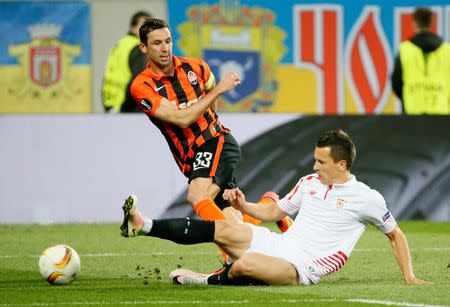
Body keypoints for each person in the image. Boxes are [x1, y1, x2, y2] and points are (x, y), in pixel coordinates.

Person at [120, 129, 430, 286]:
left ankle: (201, 279)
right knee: (227, 228)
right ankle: (143, 225)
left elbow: (395, 235)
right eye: (315, 159)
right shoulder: (309, 181)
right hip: (282, 243)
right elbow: (275, 212)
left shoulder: (367, 198)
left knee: (244, 265)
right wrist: (245, 204)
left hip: (303, 267)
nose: (314, 165)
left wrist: (409, 276)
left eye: (321, 161)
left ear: (342, 164)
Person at [125, 18, 291, 255]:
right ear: (143, 47)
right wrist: (219, 90)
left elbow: (210, 107)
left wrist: (214, 106)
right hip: (190, 159)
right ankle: (270, 205)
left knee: (197, 196)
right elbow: (181, 119)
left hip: (217, 142)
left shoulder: (197, 67)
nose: (165, 48)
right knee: (233, 223)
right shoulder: (142, 86)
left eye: (168, 41)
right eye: (157, 43)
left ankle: (232, 256)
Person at [391, 7, 450, 115]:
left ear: (415, 23)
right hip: (441, 113)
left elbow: (396, 83)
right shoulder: (447, 50)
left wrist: (407, 98)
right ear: (431, 23)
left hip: (412, 110)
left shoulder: (405, 49)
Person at [102, 11, 152, 113]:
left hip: (112, 103)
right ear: (133, 26)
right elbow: (139, 80)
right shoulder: (138, 47)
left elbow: (108, 74)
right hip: (129, 107)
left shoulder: (120, 44)